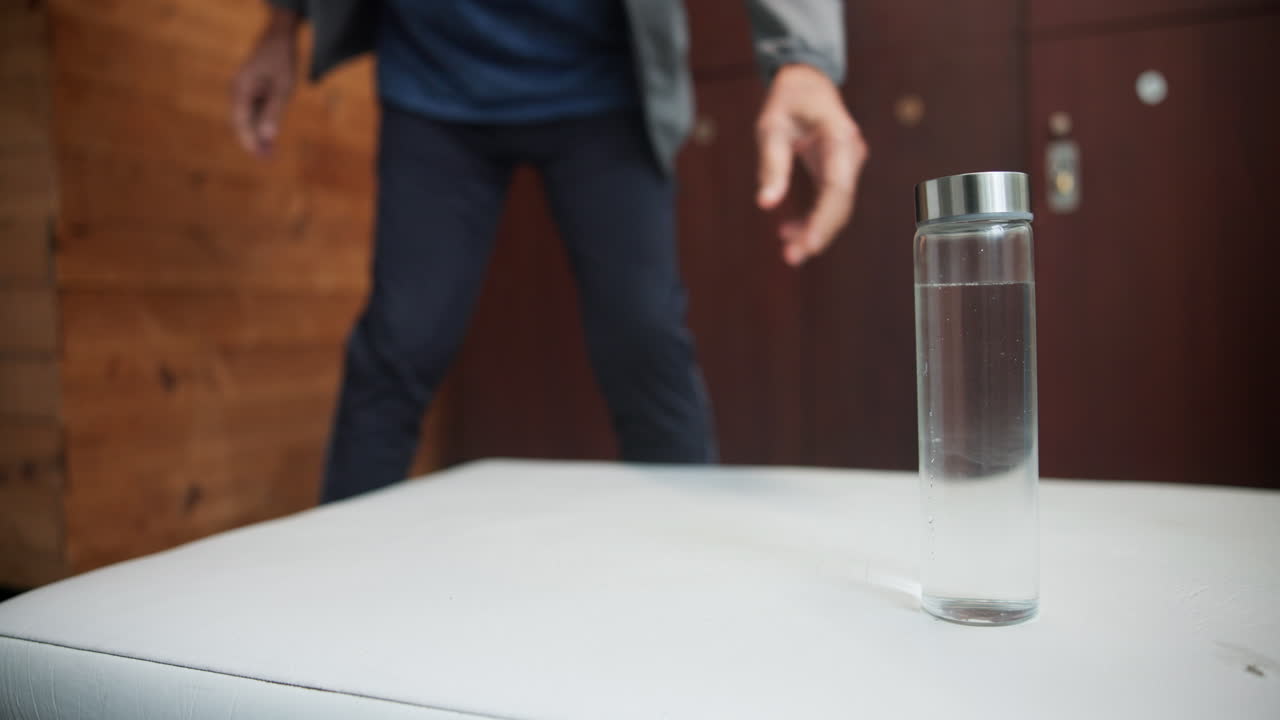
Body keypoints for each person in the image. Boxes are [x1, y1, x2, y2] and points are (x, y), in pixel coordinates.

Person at [231, 0, 867, 503]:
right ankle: (335, 580)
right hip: (432, 78)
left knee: (642, 339)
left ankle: (691, 579)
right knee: (399, 342)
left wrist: (802, 58)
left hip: (606, 82)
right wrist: (282, 22)